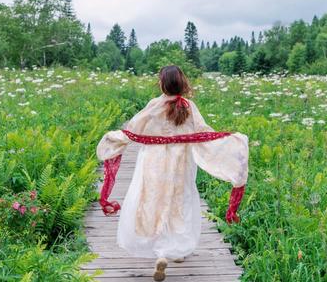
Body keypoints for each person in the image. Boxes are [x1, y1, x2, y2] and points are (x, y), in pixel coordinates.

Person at [96, 65, 248, 281]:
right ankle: (174, 250)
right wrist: (229, 140)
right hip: (181, 163)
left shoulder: (154, 105)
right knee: (179, 200)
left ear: (162, 83)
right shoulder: (188, 106)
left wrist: (114, 138)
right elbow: (204, 134)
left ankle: (159, 248)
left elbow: (133, 129)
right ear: (182, 83)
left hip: (153, 162)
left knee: (153, 199)